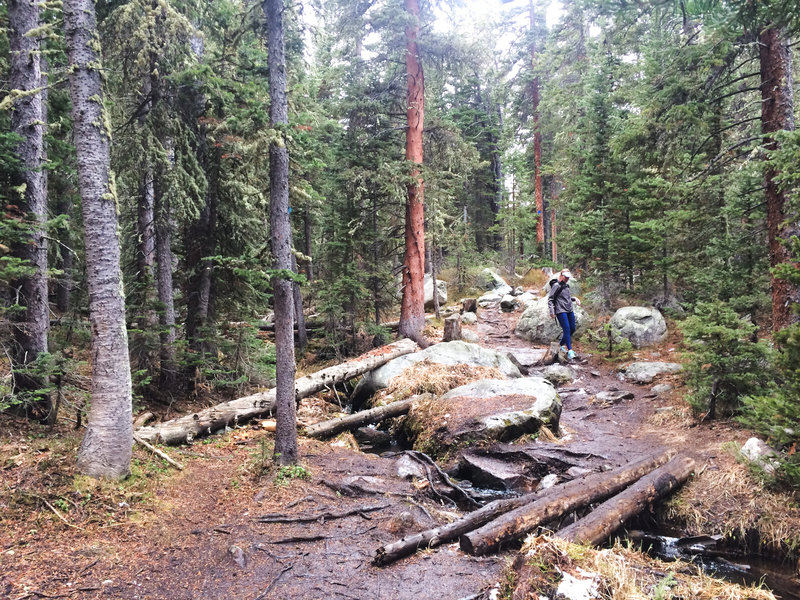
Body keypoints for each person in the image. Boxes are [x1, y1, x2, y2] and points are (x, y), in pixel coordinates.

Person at [548, 268, 580, 360]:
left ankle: (560, 345)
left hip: (569, 309)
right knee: (566, 329)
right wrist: (552, 311)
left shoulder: (566, 286)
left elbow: (567, 298)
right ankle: (570, 351)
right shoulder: (556, 285)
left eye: (568, 277)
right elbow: (550, 299)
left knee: (572, 329)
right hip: (560, 310)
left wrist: (575, 299)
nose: (567, 279)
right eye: (565, 277)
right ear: (561, 276)